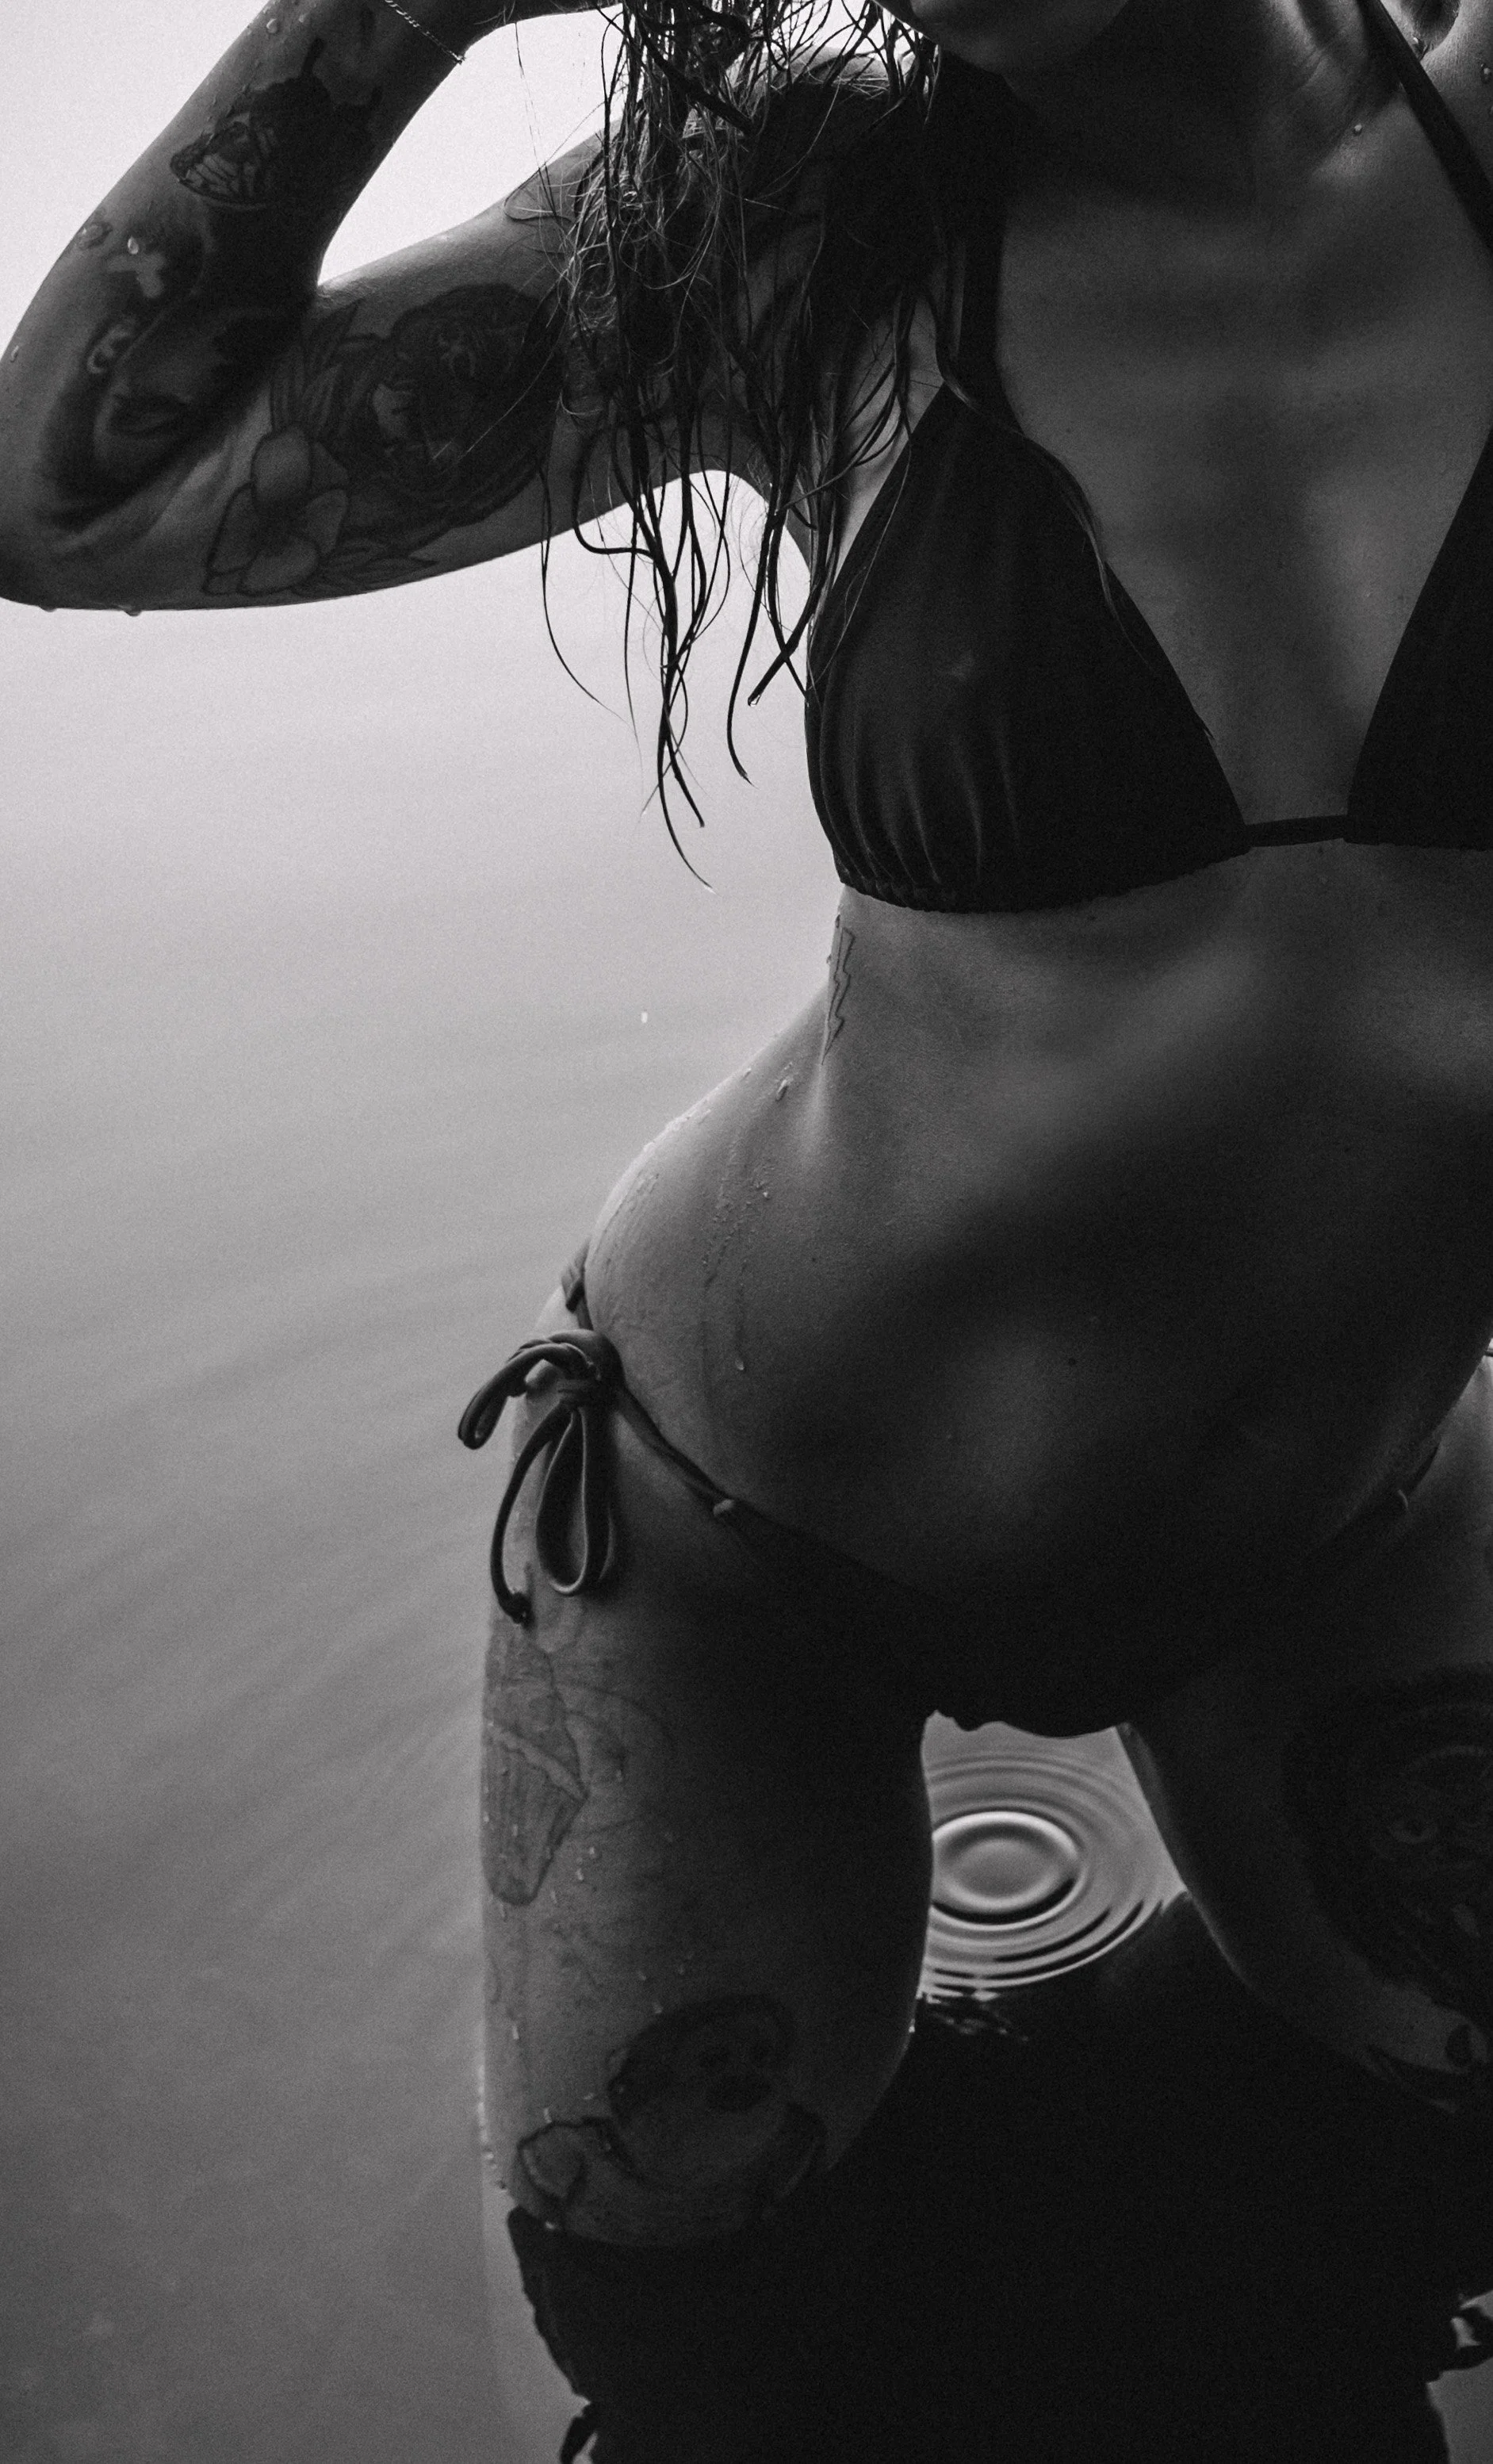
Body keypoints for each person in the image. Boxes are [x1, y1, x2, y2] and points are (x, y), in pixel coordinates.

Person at [4, 0, 1491, 2449]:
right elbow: (71, 499)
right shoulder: (812, 236)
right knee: (697, 2362)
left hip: (1340, 1507)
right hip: (741, 1553)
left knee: (1426, 2193)